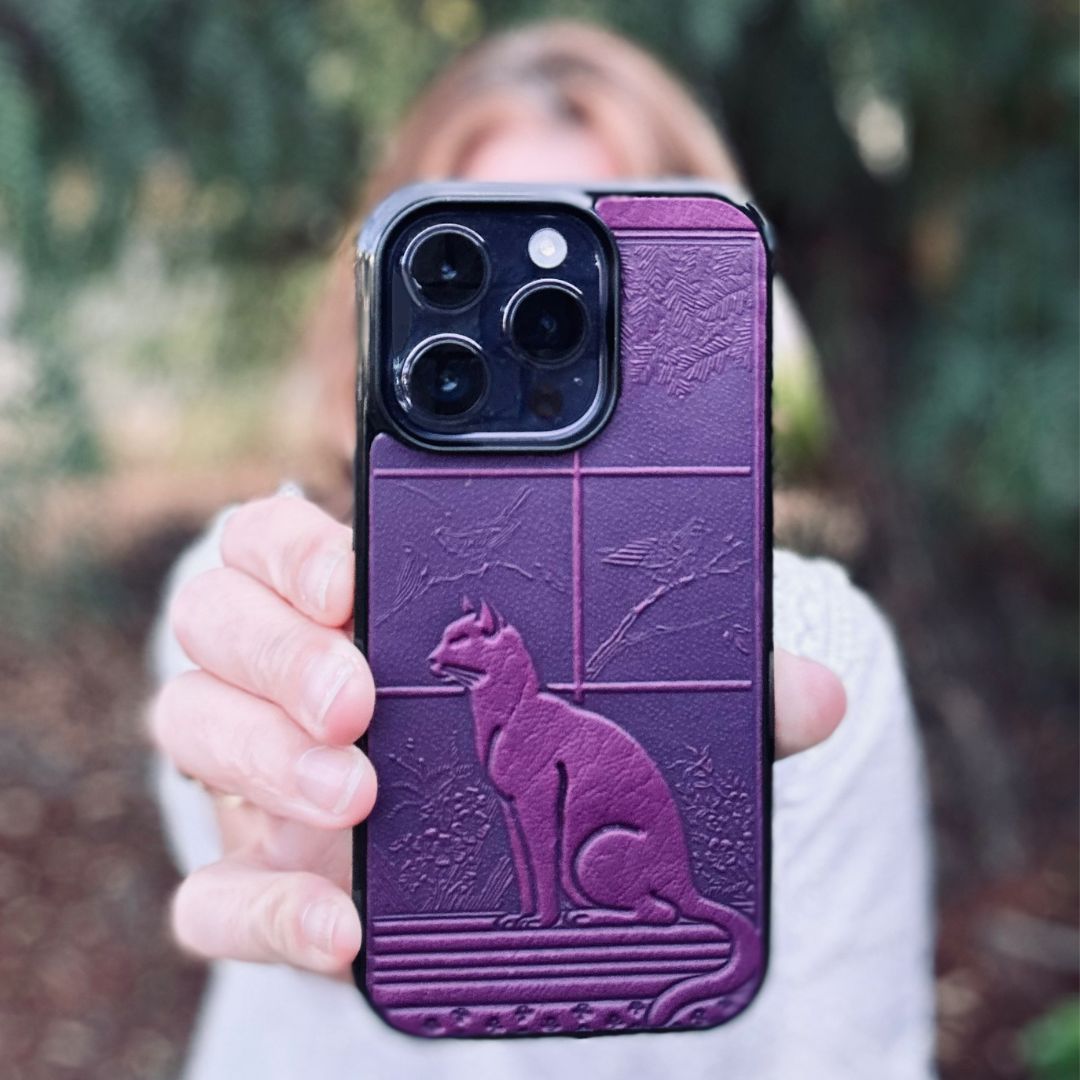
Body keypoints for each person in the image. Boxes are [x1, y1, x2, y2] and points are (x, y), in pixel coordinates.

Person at [148, 20, 935, 1080]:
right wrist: (274, 821)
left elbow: (861, 1053)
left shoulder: (816, 642)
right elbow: (233, 845)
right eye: (462, 264)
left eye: (608, 291)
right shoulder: (256, 591)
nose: (536, 352)